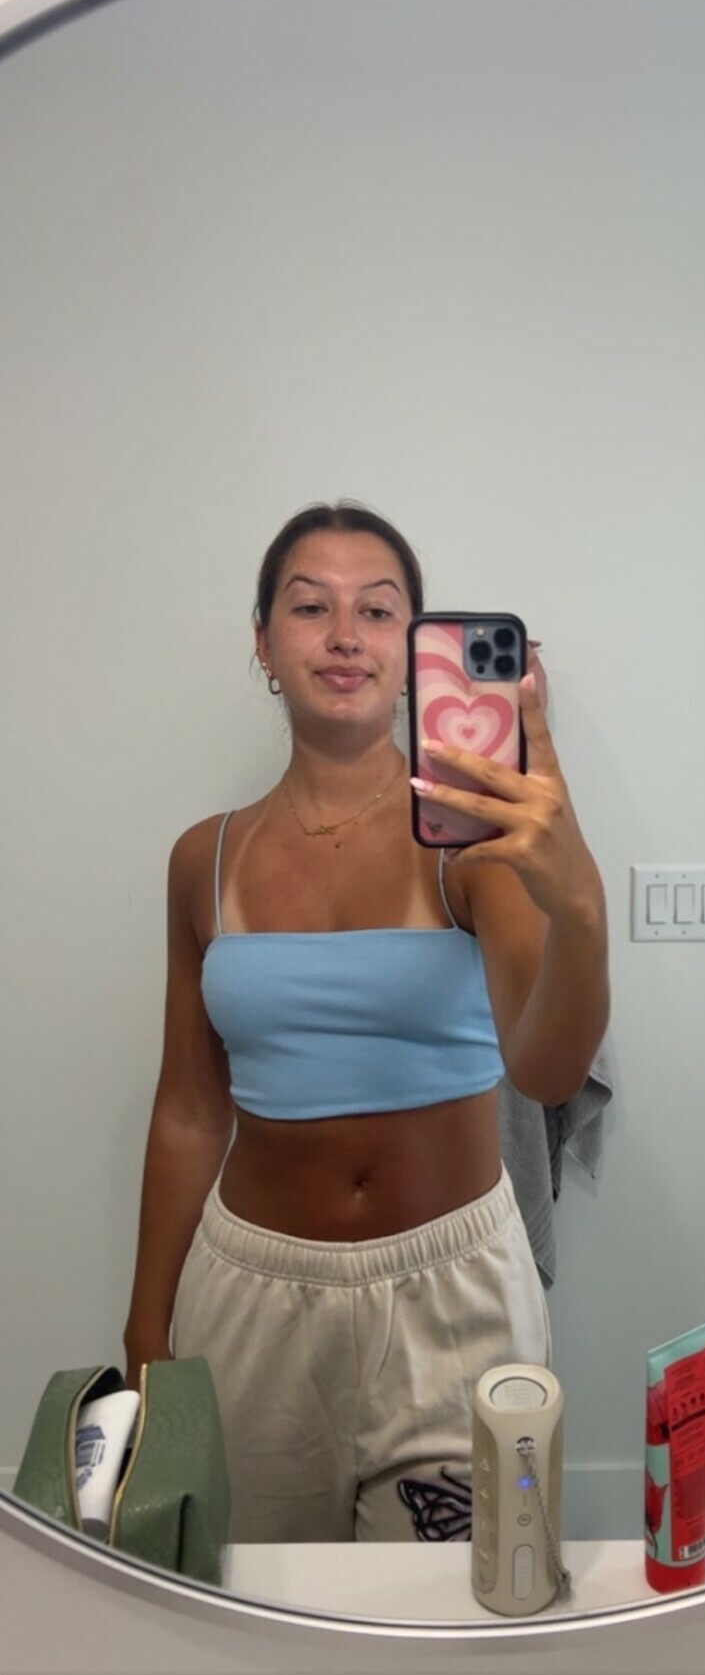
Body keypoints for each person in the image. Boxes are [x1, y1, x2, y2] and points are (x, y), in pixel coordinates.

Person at [122, 501, 609, 1545]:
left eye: (378, 610)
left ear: (415, 650)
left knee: (464, 1602)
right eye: (311, 607)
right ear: (263, 643)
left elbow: (548, 1067)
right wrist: (145, 1324)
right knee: (254, 1602)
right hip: (247, 1297)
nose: (345, 635)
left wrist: (578, 906)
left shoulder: (473, 843)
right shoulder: (203, 858)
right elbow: (189, 1110)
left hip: (456, 1295)